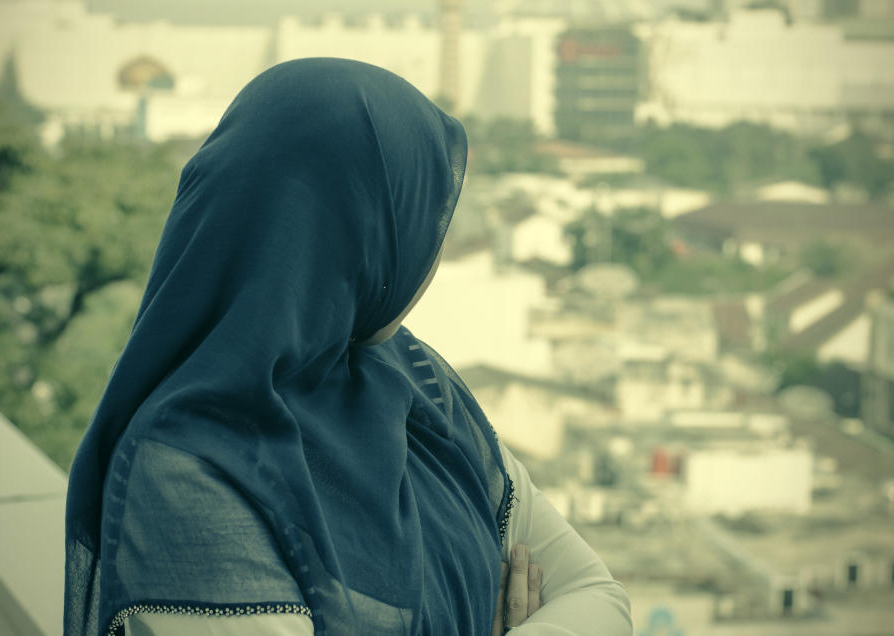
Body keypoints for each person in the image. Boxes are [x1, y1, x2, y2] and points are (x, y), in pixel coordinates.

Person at [63, 57, 632, 636]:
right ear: (365, 234)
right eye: (423, 219)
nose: (431, 255)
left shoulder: (416, 382)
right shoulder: (189, 467)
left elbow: (598, 595)